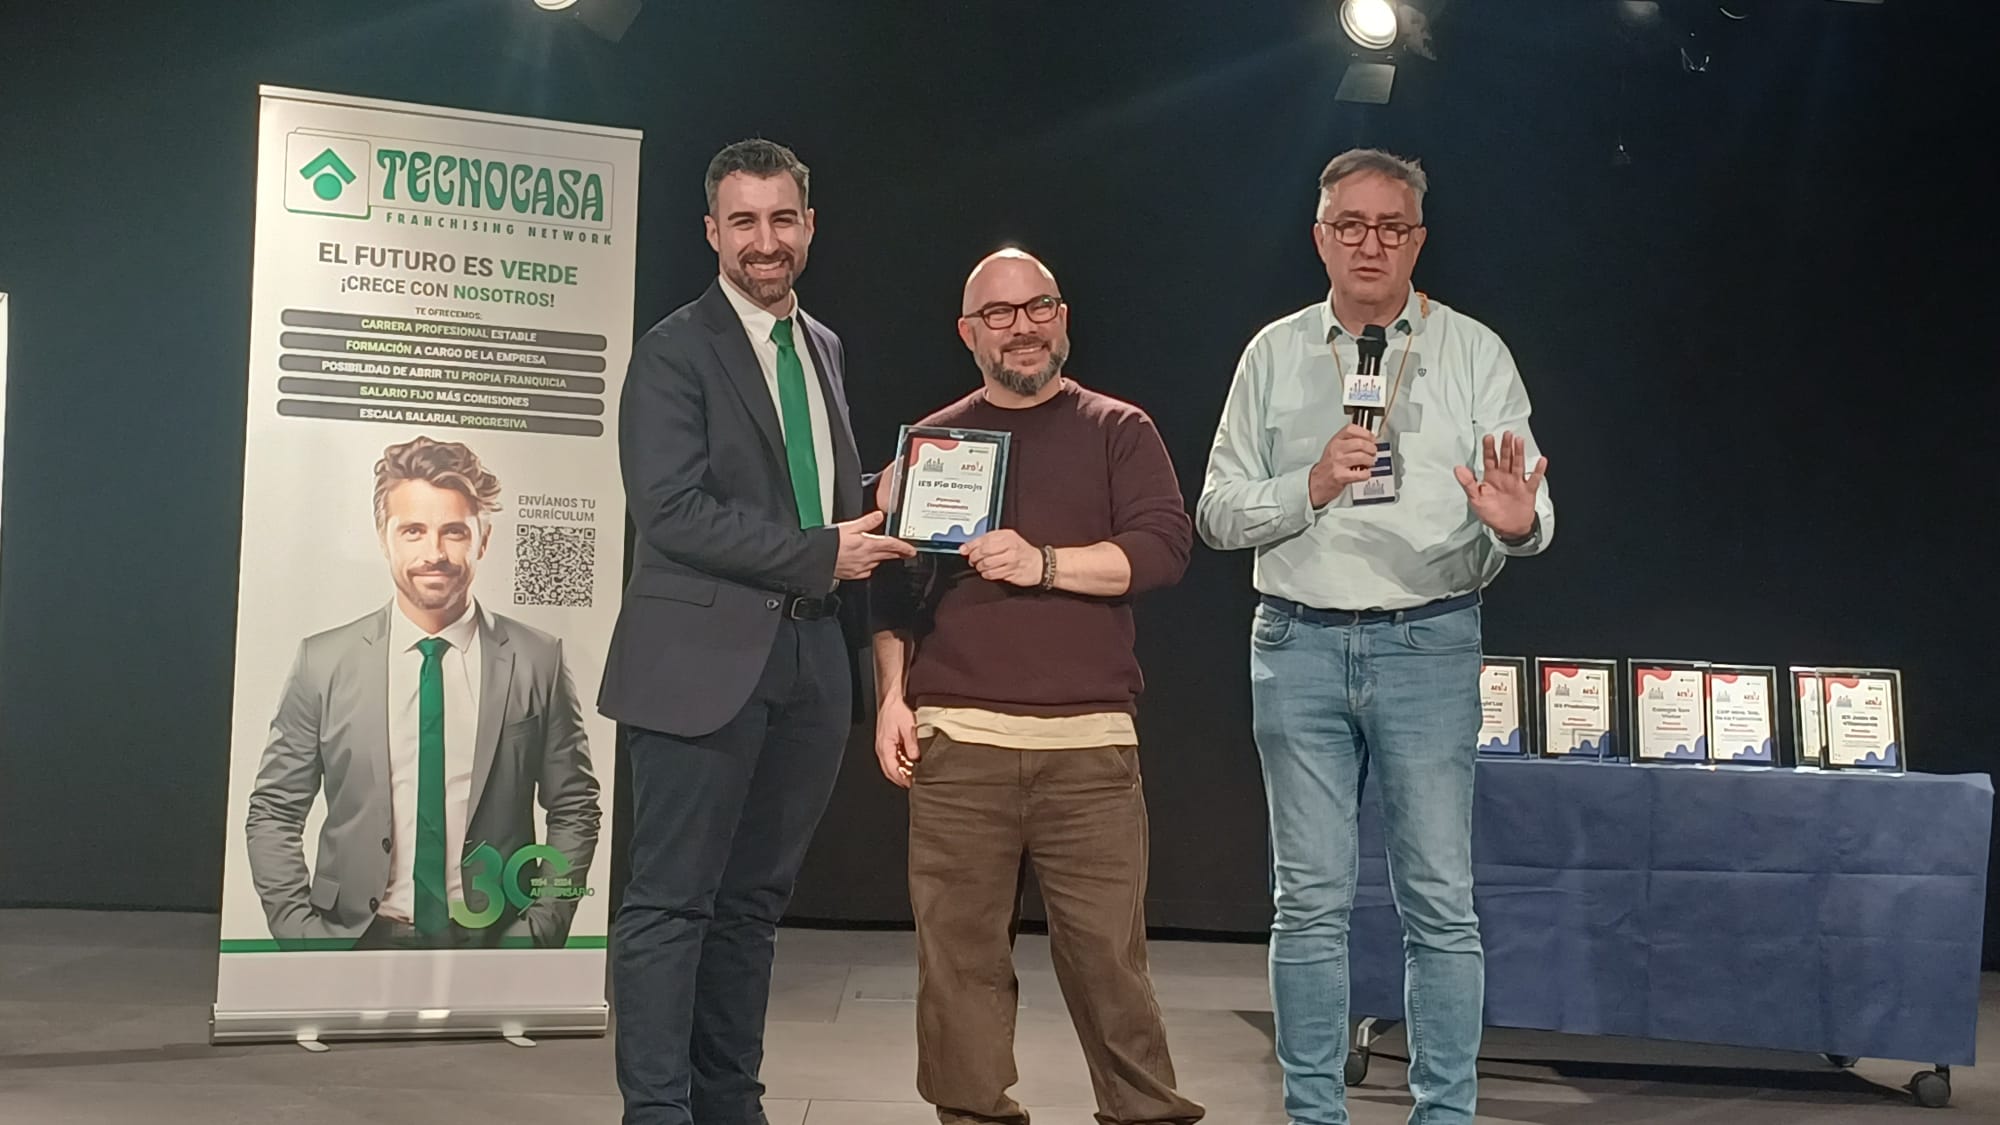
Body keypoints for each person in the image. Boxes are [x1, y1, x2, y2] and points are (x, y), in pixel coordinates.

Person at [1195, 149, 1555, 1125]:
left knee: (1438, 900)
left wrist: (1515, 520)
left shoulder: (1473, 352)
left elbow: (1531, 507)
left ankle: (1443, 1115)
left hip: (1427, 643)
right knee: (1307, 901)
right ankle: (1313, 1114)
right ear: (1319, 238)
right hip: (1297, 644)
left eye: (1390, 227)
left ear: (1417, 240)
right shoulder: (1274, 354)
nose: (1369, 244)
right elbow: (1216, 512)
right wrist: (1308, 485)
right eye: (1349, 226)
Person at [599, 138, 914, 1125]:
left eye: (782, 218)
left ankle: (731, 1105)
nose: (764, 240)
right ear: (711, 231)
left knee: (751, 907)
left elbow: (801, 490)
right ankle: (657, 1113)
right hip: (697, 665)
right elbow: (671, 511)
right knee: (670, 904)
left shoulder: (820, 344)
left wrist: (896, 491)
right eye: (744, 221)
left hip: (809, 661)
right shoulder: (673, 349)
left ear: (809, 226)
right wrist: (822, 551)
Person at [871, 249, 1205, 1125]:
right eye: (1000, 313)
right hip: (959, 745)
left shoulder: (1118, 428)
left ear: (1062, 316)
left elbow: (1163, 549)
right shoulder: (933, 442)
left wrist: (1044, 562)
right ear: (967, 332)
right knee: (958, 970)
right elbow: (891, 591)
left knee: (1110, 967)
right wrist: (892, 697)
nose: (1022, 326)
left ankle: (1145, 1113)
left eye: (1039, 307)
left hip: (1088, 749)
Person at [245, 435, 601, 951]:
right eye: (412, 530)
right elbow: (275, 810)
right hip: (351, 940)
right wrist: (302, 935)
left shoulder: (537, 659)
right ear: (383, 537)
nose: (434, 554)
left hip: (495, 942)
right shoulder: (322, 661)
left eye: (454, 531)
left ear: (483, 540)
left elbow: (574, 807)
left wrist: (538, 930)